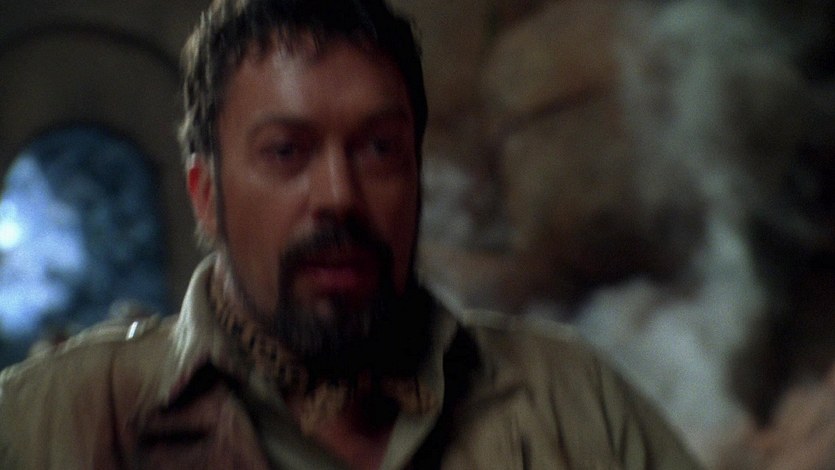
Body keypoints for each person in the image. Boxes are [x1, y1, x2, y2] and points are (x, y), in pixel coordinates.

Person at [0, 0, 700, 468]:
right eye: (286, 152)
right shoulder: (53, 425)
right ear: (206, 196)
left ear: (417, 178)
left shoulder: (570, 409)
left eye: (378, 149)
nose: (339, 196)